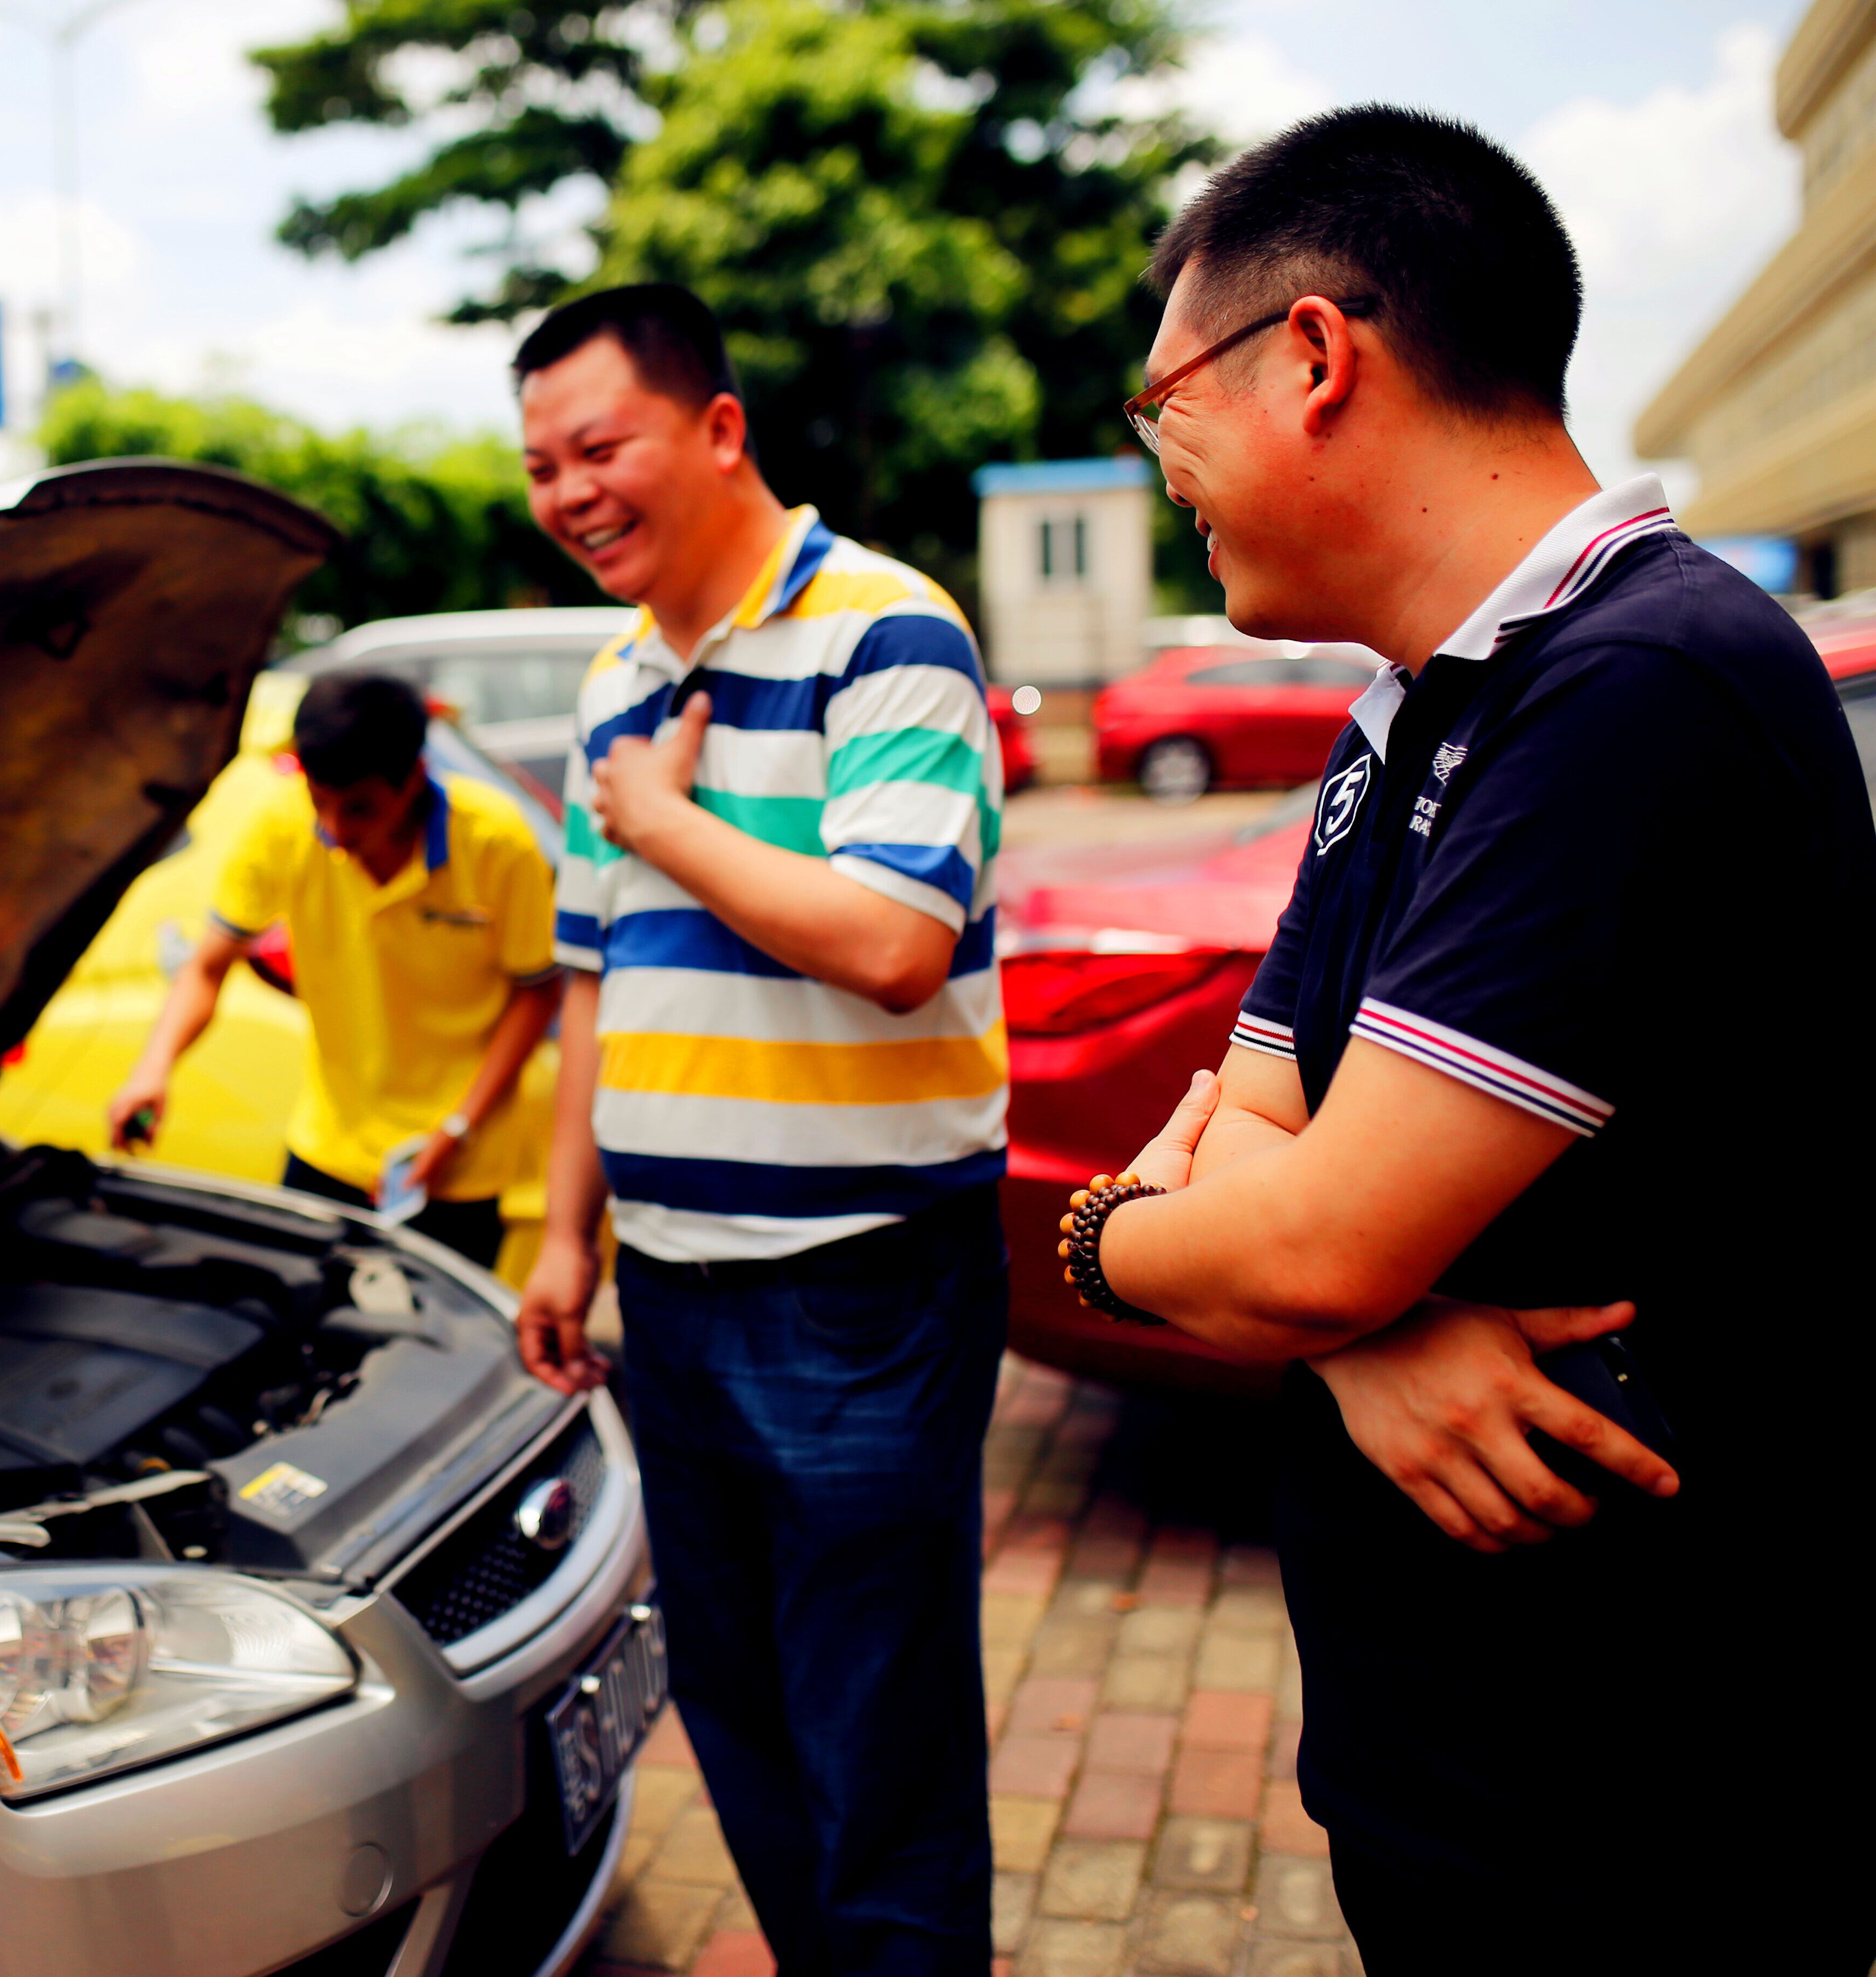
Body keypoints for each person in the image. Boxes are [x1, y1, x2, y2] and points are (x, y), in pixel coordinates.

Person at [1066, 108, 1876, 1972]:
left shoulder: (1632, 681)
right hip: (1452, 1739)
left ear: (1315, 358)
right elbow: (1263, 1148)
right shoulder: (1416, 711)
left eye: (1160, 402)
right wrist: (1364, 1328)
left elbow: (1284, 1223)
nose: (1164, 464)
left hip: (1643, 1786)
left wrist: (1132, 1242)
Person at [513, 283, 1010, 1976]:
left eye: (599, 447)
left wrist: (660, 810)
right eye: (539, 466)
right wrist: (565, 1228)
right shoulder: (614, 679)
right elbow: (592, 980)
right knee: (737, 1708)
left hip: (863, 1283)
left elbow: (894, 942)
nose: (569, 494)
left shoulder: (892, 633)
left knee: (881, 1731)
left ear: (719, 429)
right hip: (675, 1287)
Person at [107, 671, 561, 1269]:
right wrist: (154, 1068)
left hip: (460, 1160)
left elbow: (536, 993)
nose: (336, 832)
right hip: (329, 1145)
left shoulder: (498, 843)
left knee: (438, 1354)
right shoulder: (284, 824)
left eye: (360, 809)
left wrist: (457, 1127)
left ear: (414, 780)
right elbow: (209, 966)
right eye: (321, 803)